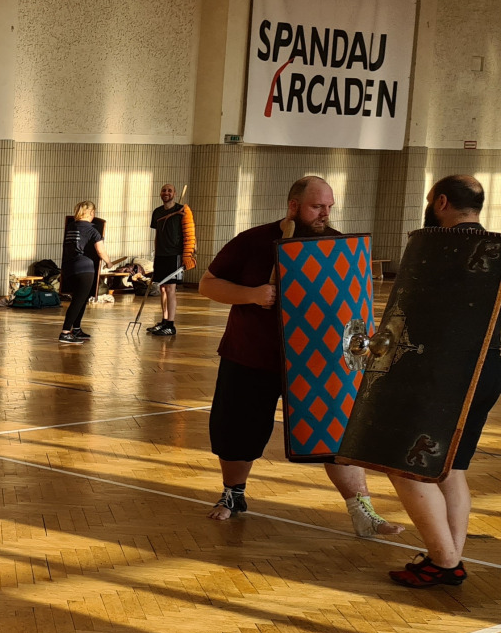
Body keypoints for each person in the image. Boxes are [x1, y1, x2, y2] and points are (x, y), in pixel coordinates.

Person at [198, 175, 397, 537]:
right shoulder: (252, 241)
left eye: (329, 206)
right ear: (293, 206)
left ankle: (363, 511)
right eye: (317, 206)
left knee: (335, 435)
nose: (325, 213)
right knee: (237, 431)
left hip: (317, 361)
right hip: (251, 355)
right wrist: (252, 295)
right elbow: (207, 284)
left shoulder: (337, 246)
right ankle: (233, 494)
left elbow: (352, 303)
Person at [387, 174, 492, 587]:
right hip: (489, 373)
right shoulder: (495, 251)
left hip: (443, 374)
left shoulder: (437, 247)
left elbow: (417, 318)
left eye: (432, 201)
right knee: (452, 467)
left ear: (442, 202)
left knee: (404, 464)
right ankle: (448, 559)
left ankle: (445, 560)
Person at [146, 184, 196, 336]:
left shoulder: (182, 210)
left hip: (175, 255)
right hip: (161, 255)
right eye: (164, 190)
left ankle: (171, 325)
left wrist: (189, 254)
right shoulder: (157, 212)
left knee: (170, 289)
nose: (166, 193)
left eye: (169, 190)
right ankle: (164, 321)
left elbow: (190, 233)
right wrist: (155, 253)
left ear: (175, 193)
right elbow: (157, 235)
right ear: (160, 193)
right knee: (162, 288)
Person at [59, 201, 106, 345]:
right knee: (78, 301)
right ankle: (65, 332)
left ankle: (76, 329)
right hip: (84, 269)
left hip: (69, 268)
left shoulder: (71, 227)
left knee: (81, 299)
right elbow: (100, 251)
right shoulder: (92, 230)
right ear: (91, 213)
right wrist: (109, 262)